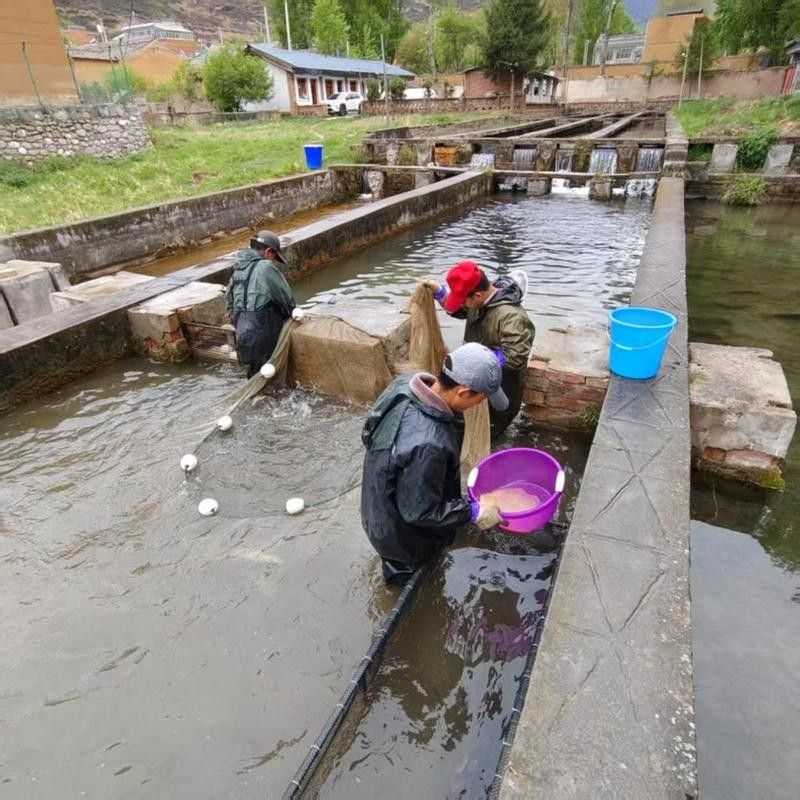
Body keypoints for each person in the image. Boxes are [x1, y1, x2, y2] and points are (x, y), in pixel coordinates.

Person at [361, 343, 506, 586]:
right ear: (463, 392)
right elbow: (420, 511)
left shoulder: (406, 384)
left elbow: (368, 433)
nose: (481, 405)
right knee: (409, 574)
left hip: (378, 502)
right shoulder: (429, 444)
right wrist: (473, 511)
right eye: (481, 398)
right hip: (399, 534)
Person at [424, 261, 535, 438]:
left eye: (464, 301)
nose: (463, 306)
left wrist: (477, 358)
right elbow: (461, 310)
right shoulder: (480, 300)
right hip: (473, 382)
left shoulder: (513, 318)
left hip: (501, 387)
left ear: (477, 295)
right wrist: (440, 292)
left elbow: (515, 358)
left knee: (491, 428)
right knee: (464, 422)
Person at [226, 230, 295, 378]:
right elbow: (286, 298)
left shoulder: (237, 269)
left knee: (254, 376)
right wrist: (293, 315)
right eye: (274, 257)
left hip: (243, 338)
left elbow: (229, 302)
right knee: (270, 379)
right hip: (263, 337)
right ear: (269, 251)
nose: (274, 261)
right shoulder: (265, 267)